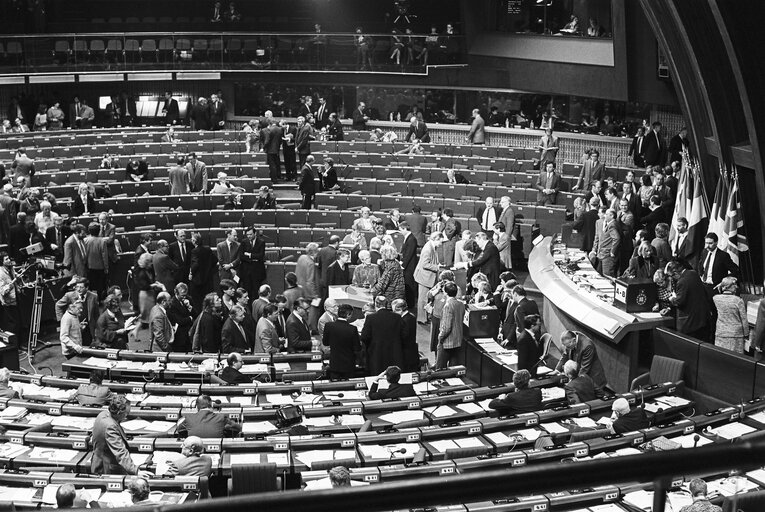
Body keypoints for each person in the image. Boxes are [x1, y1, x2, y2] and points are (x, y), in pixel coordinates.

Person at [92, 395, 152, 476]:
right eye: (126, 413)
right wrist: (136, 471)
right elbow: (120, 452)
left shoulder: (103, 414)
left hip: (98, 458)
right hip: (106, 467)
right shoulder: (110, 427)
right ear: (119, 413)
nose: (126, 416)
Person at [666, 260, 713, 340]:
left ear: (675, 272)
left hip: (690, 324)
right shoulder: (693, 273)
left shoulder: (682, 281)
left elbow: (679, 302)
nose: (672, 278)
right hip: (702, 319)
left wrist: (672, 299)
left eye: (672, 276)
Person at [362, 296, 407, 375]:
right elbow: (404, 335)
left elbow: (364, 337)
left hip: (377, 356)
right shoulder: (397, 317)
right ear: (387, 304)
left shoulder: (370, 318)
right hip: (395, 355)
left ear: (376, 304)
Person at [554, 330, 608, 395]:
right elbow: (565, 354)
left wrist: (573, 382)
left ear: (574, 340)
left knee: (594, 400)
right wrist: (557, 370)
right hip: (582, 375)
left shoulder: (587, 346)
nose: (566, 348)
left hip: (593, 378)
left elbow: (584, 368)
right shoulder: (570, 338)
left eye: (567, 346)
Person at [322, 304, 361, 379]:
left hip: (334, 364)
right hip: (349, 365)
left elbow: (325, 343)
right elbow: (357, 348)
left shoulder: (328, 326)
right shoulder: (352, 329)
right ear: (348, 315)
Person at [712, 277, 748, 354]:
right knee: (736, 359)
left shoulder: (716, 298)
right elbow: (744, 320)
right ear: (729, 287)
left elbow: (711, 291)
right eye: (734, 284)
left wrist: (721, 285)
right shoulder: (738, 301)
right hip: (736, 335)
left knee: (721, 357)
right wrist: (746, 334)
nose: (736, 287)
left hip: (721, 333)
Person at [436, 282, 464, 369]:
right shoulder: (461, 304)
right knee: (454, 369)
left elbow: (447, 327)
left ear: (445, 292)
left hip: (447, 342)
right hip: (458, 340)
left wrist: (440, 337)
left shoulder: (448, 306)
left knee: (440, 369)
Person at [189, 232, 217, 312]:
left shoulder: (194, 251)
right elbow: (215, 260)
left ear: (194, 241)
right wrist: (208, 269)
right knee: (208, 300)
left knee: (198, 302)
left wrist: (191, 273)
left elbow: (195, 264)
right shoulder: (207, 249)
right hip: (208, 280)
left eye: (192, 239)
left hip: (198, 281)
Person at [589, 208, 620, 277]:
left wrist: (613, 251)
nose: (604, 216)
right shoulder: (600, 222)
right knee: (600, 274)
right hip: (601, 254)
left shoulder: (613, 224)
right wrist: (594, 250)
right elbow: (597, 237)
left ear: (611, 215)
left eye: (606, 214)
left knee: (607, 276)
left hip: (607, 255)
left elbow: (617, 238)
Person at [392, 298, 419, 372]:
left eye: (394, 311)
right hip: (411, 351)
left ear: (400, 310)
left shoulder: (405, 320)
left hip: (407, 354)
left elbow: (404, 336)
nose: (393, 313)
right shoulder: (411, 316)